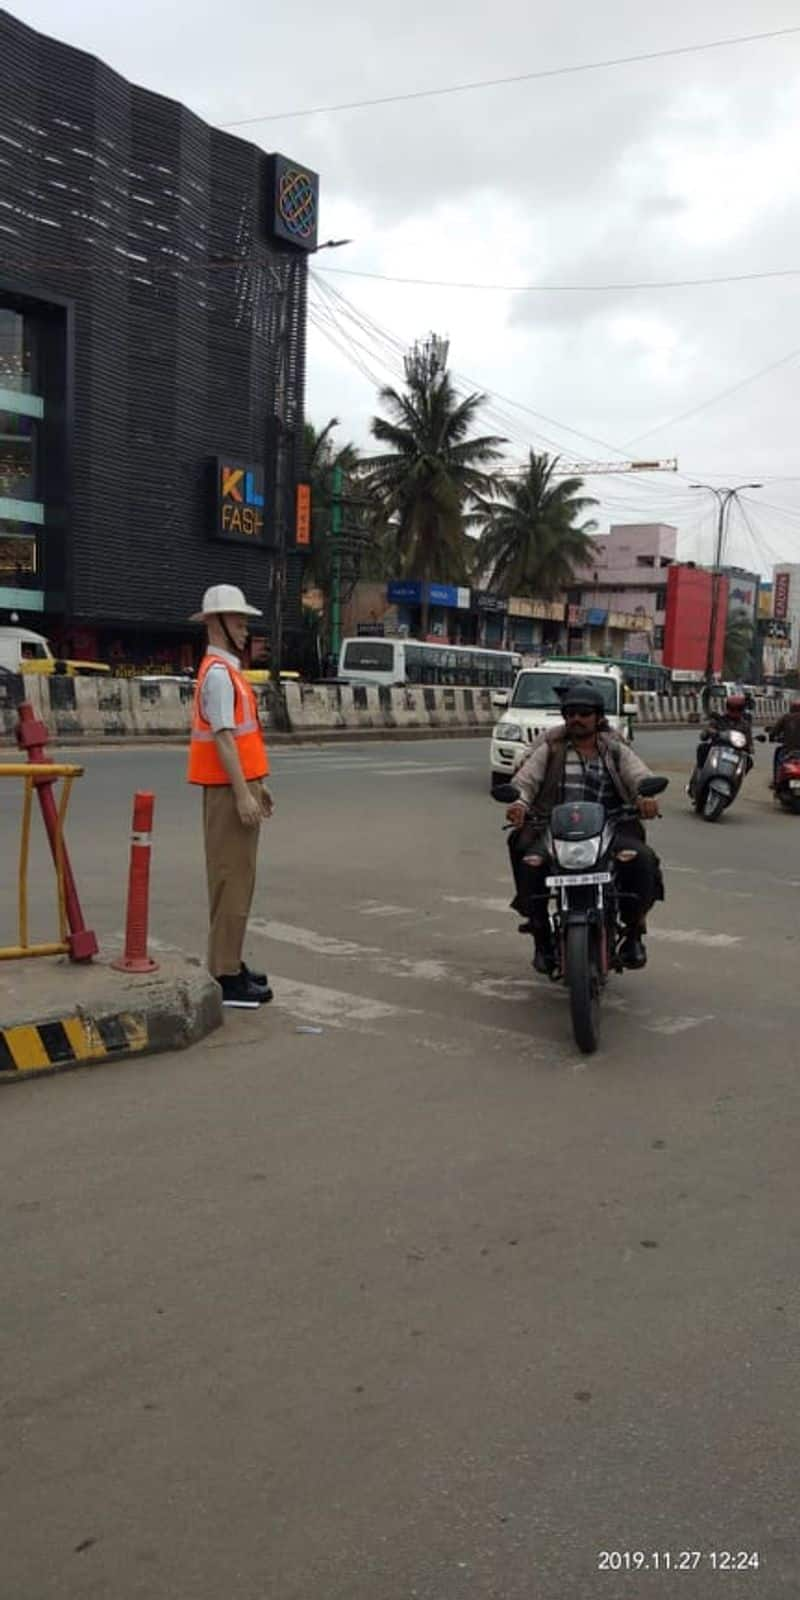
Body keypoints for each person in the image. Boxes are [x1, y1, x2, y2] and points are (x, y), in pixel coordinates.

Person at [505, 684, 663, 975]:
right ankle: (540, 933)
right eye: (571, 713)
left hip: (611, 826)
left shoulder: (615, 750)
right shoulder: (551, 749)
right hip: (556, 829)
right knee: (527, 856)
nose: (577, 719)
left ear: (598, 717)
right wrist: (519, 803)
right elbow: (525, 781)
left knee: (642, 859)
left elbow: (638, 775)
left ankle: (634, 932)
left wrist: (645, 797)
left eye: (584, 713)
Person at [188, 584, 274, 1009]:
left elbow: (242, 739)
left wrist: (259, 784)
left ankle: (231, 962)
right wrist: (244, 794)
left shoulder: (229, 672)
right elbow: (222, 739)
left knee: (240, 881)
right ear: (215, 623)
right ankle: (225, 975)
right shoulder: (219, 676)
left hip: (238, 784)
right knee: (231, 883)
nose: (244, 628)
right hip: (227, 791)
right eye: (238, 620)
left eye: (244, 621)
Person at [690, 692, 753, 796]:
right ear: (727, 707)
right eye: (732, 708)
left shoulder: (745, 725)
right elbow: (705, 733)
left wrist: (750, 747)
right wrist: (709, 732)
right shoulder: (719, 719)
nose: (735, 711)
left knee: (749, 761)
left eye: (738, 708)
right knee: (702, 748)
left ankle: (736, 780)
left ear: (742, 709)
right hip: (717, 749)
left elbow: (749, 741)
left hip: (735, 753)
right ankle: (700, 772)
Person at [767, 698, 800, 786]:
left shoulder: (786, 717)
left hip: (788, 750)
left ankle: (776, 781)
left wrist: (771, 737)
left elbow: (774, 731)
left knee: (779, 761)